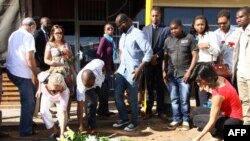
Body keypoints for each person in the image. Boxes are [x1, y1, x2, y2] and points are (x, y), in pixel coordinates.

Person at [112, 13, 153, 131]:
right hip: (122, 70)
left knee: (133, 99)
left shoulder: (138, 34)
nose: (119, 28)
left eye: (120, 25)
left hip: (133, 71)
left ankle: (134, 122)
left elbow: (148, 52)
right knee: (117, 95)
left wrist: (140, 68)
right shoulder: (123, 36)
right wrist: (119, 67)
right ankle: (124, 118)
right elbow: (122, 52)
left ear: (126, 22)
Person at [190, 63, 243, 141]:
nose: (198, 84)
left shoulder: (217, 95)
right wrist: (207, 88)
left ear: (207, 79)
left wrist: (197, 138)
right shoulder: (220, 78)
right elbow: (224, 95)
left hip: (233, 121)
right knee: (196, 111)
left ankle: (219, 135)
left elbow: (212, 121)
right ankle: (219, 134)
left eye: (199, 81)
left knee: (197, 119)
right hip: (231, 115)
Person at [162, 19, 198, 130]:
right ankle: (176, 119)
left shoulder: (189, 38)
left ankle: (186, 120)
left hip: (184, 75)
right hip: (172, 75)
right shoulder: (168, 41)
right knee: (174, 99)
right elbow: (165, 58)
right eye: (171, 29)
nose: (173, 31)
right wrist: (164, 71)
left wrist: (189, 71)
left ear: (181, 27)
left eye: (175, 28)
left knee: (184, 99)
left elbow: (195, 56)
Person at [6, 17, 37, 136]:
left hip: (11, 70)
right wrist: (35, 74)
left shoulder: (13, 34)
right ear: (32, 26)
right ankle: (25, 131)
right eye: (34, 29)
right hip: (22, 72)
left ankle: (28, 125)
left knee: (30, 99)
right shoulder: (28, 36)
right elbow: (30, 58)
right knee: (28, 102)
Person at [142, 7, 170, 119]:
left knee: (159, 87)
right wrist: (150, 57)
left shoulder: (166, 29)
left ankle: (160, 111)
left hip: (159, 63)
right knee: (148, 87)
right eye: (153, 15)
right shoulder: (145, 29)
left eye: (157, 15)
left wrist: (157, 56)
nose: (155, 18)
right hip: (148, 63)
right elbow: (143, 45)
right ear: (150, 16)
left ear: (160, 16)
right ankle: (148, 110)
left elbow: (166, 46)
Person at [44, 24, 76, 120]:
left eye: (61, 33)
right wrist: (53, 62)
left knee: (68, 93)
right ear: (53, 34)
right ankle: (59, 115)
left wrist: (69, 54)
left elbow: (72, 59)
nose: (59, 35)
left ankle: (67, 115)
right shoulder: (49, 44)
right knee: (57, 93)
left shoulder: (66, 44)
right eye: (57, 33)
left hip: (66, 71)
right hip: (55, 71)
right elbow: (46, 60)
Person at [190, 15, 220, 107]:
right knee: (200, 93)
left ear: (206, 25)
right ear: (194, 26)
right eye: (198, 24)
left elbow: (217, 53)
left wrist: (208, 46)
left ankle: (211, 116)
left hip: (209, 66)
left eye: (202, 24)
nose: (200, 26)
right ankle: (200, 116)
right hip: (197, 66)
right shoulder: (192, 37)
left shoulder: (211, 35)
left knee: (210, 92)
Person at [36, 72, 69, 138]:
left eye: (58, 90)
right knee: (43, 112)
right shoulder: (44, 77)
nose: (56, 92)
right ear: (47, 83)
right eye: (54, 90)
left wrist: (62, 135)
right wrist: (39, 89)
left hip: (60, 97)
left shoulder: (64, 91)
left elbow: (62, 113)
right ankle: (54, 130)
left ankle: (61, 131)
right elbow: (39, 77)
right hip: (46, 95)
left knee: (62, 112)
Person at [77, 59, 105, 134]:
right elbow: (80, 106)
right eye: (87, 85)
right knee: (92, 103)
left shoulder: (97, 64)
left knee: (103, 96)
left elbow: (104, 65)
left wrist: (104, 73)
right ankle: (91, 126)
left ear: (94, 79)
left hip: (100, 81)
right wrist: (80, 124)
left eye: (90, 85)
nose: (88, 86)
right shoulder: (81, 86)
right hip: (93, 84)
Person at [232, 6, 250, 125]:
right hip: (241, 72)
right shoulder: (239, 32)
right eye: (237, 17)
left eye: (241, 16)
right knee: (244, 100)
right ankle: (247, 122)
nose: (238, 19)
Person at [33, 17, 52, 117]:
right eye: (47, 22)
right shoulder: (38, 33)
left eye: (50, 23)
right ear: (41, 23)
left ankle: (45, 108)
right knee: (39, 88)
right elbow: (33, 49)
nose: (49, 24)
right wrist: (36, 62)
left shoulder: (48, 34)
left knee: (46, 87)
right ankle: (38, 110)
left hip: (47, 65)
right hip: (40, 65)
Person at [96, 23, 116, 117]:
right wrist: (102, 67)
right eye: (108, 29)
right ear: (105, 31)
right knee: (103, 91)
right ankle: (102, 111)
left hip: (107, 70)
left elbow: (110, 57)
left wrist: (113, 69)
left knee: (106, 91)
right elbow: (98, 53)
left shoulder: (111, 41)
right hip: (102, 70)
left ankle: (103, 109)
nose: (110, 30)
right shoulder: (104, 39)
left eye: (112, 28)